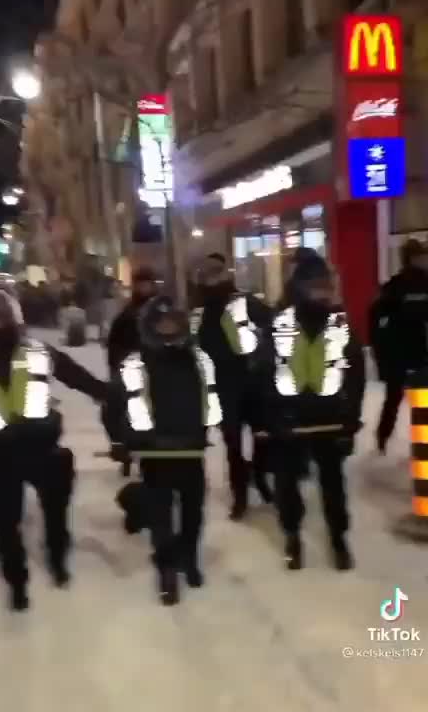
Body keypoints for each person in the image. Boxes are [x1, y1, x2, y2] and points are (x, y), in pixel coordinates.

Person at [0, 289, 110, 611]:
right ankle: (24, 576)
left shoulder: (34, 352)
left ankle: (46, 566)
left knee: (34, 517)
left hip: (27, 447)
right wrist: (104, 392)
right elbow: (78, 376)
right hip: (6, 450)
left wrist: (105, 392)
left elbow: (75, 374)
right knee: (9, 523)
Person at [250, 253, 365, 570]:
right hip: (290, 420)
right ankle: (292, 535)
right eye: (316, 287)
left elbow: (355, 376)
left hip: (329, 420)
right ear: (300, 288)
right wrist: (272, 420)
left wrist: (350, 420)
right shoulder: (279, 327)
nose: (323, 293)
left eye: (327, 287)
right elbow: (263, 377)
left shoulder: (339, 326)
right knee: (287, 484)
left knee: (333, 484)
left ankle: (339, 538)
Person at [104, 295, 221, 606]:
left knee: (193, 511)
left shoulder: (198, 359)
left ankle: (189, 555)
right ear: (150, 327)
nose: (167, 328)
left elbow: (211, 395)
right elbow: (114, 404)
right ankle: (167, 566)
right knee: (161, 514)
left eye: (173, 322)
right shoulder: (136, 362)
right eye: (161, 323)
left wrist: (208, 428)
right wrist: (121, 439)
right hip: (155, 451)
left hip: (192, 449)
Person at [192, 253, 272, 519]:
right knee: (233, 444)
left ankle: (259, 476)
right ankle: (240, 495)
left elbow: (272, 326)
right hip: (224, 387)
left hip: (253, 382)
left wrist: (263, 358)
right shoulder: (200, 312)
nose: (214, 279)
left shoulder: (244, 302)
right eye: (209, 275)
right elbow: (194, 349)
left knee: (263, 438)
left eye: (218, 273)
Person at [370, 239, 428, 454]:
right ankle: (421, 448)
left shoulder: (392, 287)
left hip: (400, 356)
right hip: (416, 354)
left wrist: (381, 354)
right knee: (418, 402)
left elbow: (377, 321)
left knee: (394, 399)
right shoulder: (404, 287)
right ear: (413, 258)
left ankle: (383, 439)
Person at [106, 267, 158, 377]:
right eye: (140, 284)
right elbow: (114, 348)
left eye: (146, 284)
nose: (143, 288)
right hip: (134, 372)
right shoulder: (126, 316)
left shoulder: (162, 311)